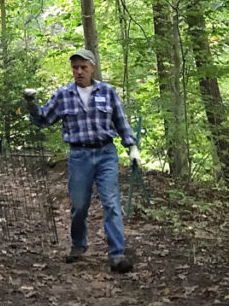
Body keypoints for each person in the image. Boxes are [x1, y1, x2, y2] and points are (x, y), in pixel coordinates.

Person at [23, 49, 141, 273]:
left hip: (106, 153)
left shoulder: (107, 92)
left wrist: (132, 146)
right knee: (78, 206)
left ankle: (117, 254)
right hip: (79, 156)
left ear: (93, 68)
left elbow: (120, 120)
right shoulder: (64, 94)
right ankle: (78, 245)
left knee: (111, 203)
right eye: (75, 67)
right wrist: (31, 105)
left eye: (83, 67)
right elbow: (43, 120)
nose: (78, 72)